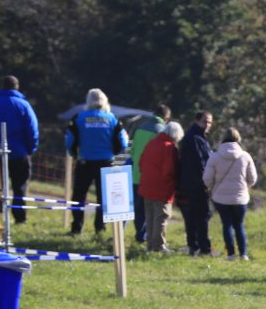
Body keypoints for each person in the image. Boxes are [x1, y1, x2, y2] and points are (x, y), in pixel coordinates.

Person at [64, 88, 128, 235]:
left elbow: (69, 141)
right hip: (106, 162)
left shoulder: (79, 118)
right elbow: (123, 142)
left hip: (85, 162)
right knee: (103, 198)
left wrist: (74, 154)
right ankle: (100, 228)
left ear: (88, 101)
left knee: (78, 196)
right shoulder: (112, 119)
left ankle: (76, 228)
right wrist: (115, 153)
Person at [0, 76, 40, 224]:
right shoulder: (24, 105)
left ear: (2, 87)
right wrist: (30, 149)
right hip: (19, 153)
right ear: (17, 87)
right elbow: (32, 129)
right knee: (19, 187)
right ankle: (20, 218)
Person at [202, 127, 258, 261]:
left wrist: (212, 187)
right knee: (239, 225)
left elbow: (206, 179)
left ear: (223, 138)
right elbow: (253, 178)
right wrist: (246, 187)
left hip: (221, 198)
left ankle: (231, 254)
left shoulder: (215, 156)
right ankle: (243, 254)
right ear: (238, 139)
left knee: (227, 225)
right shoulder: (245, 156)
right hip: (240, 198)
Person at [136, 120, 182, 253]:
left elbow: (141, 163)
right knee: (161, 217)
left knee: (149, 218)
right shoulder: (169, 148)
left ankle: (150, 245)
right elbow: (169, 171)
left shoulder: (152, 142)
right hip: (162, 189)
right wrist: (173, 186)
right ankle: (159, 246)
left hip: (146, 186)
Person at [128, 104, 169, 243]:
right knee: (151, 209)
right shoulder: (162, 131)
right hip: (151, 177)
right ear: (166, 117)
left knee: (138, 208)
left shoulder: (140, 127)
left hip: (136, 175)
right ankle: (146, 237)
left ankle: (139, 234)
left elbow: (132, 151)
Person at [177, 111, 214, 255]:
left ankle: (194, 245)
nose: (207, 125)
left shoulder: (198, 137)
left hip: (192, 183)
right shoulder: (194, 138)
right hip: (197, 184)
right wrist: (206, 183)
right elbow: (200, 163)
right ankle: (203, 248)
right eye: (205, 121)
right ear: (197, 121)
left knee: (194, 217)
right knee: (201, 216)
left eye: (210, 122)